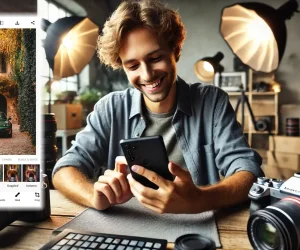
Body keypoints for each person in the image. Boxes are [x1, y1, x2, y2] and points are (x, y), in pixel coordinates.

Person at [52, 0, 264, 214]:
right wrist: (93, 196)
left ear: (175, 50)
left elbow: (249, 171)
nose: (147, 75)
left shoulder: (212, 102)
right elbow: (64, 169)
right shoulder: (110, 108)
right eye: (133, 65)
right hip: (127, 224)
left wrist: (200, 199)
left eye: (155, 58)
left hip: (198, 226)